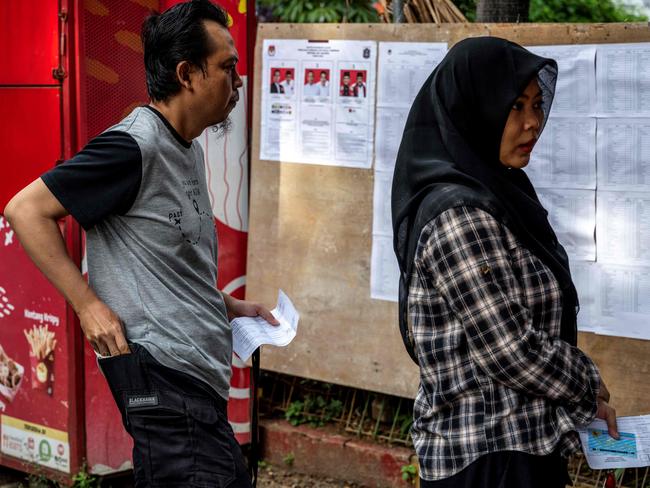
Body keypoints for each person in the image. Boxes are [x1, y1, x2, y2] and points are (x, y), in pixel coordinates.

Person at [4, 1, 279, 486]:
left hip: (194, 385)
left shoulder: (186, 147)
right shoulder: (133, 146)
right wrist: (88, 306)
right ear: (187, 73)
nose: (237, 82)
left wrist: (229, 306)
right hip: (164, 383)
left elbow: (164, 262)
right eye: (228, 68)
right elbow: (25, 210)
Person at [391, 37, 617, 488]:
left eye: (536, 105)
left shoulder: (497, 197)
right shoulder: (459, 215)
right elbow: (508, 348)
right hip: (487, 460)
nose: (533, 122)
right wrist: (586, 381)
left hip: (521, 449)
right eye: (515, 106)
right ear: (473, 108)